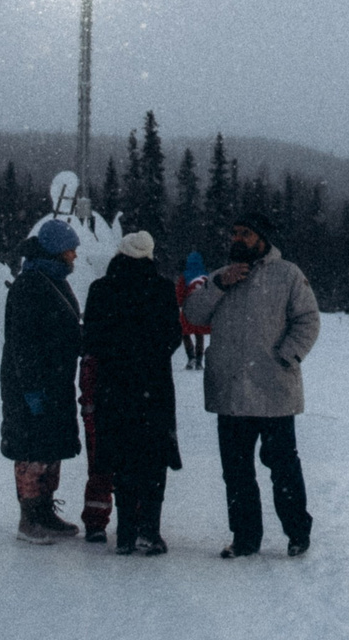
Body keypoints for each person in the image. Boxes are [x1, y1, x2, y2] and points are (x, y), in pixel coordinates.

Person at [182, 211, 320, 558]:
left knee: (283, 467)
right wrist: (219, 285)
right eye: (234, 233)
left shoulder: (287, 274)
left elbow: (308, 320)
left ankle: (297, 533)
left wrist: (286, 357)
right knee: (237, 472)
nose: (237, 239)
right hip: (230, 393)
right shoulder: (219, 277)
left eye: (245, 233)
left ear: (262, 238)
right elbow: (193, 314)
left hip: (274, 390)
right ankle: (245, 537)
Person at [81, 231, 184, 555]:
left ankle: (124, 532)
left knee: (121, 459)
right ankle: (149, 530)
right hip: (153, 387)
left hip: (114, 387)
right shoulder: (163, 289)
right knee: (153, 462)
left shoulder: (101, 289)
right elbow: (173, 338)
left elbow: (91, 340)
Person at [1, 218, 84, 544]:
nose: (74, 256)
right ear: (54, 250)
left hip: (57, 379)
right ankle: (29, 517)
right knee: (32, 448)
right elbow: (24, 344)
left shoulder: (54, 279)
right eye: (70, 250)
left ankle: (46, 511)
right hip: (31, 384)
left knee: (50, 446)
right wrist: (32, 389)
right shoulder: (29, 285)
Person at [178, 250, 212, 371]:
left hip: (188, 310)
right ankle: (199, 361)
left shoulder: (185, 276)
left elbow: (179, 295)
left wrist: (180, 302)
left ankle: (191, 357)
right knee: (199, 334)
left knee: (184, 333)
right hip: (202, 311)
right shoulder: (206, 276)